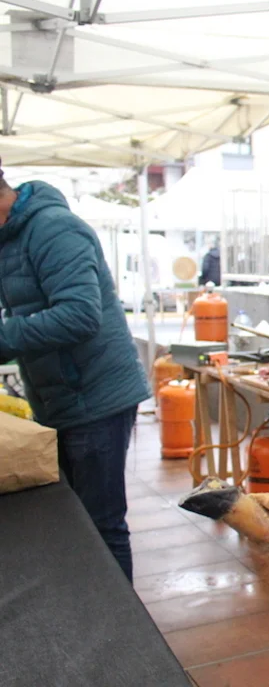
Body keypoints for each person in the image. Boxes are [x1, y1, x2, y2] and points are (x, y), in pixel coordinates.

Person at [0, 159, 150, 583]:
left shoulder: (54, 229)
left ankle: (119, 621)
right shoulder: (9, 238)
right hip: (59, 397)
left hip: (96, 397)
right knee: (74, 521)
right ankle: (91, 609)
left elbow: (80, 315)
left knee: (101, 525)